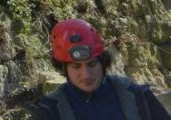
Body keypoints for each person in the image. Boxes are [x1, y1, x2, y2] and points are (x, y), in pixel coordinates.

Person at [34, 18, 171, 119]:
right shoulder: (49, 111)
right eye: (76, 66)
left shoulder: (139, 97)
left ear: (103, 62)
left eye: (92, 64)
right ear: (64, 68)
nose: (86, 75)